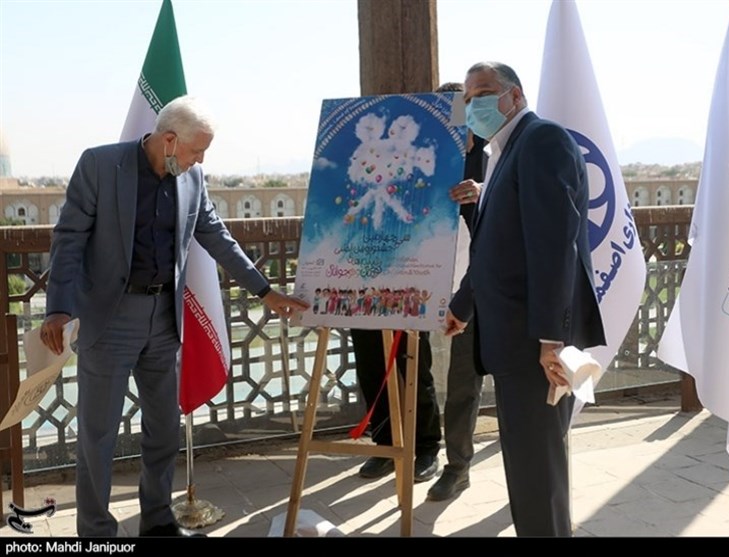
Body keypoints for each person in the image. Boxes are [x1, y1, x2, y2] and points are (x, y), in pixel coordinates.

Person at [40, 95, 309, 538]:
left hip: (165, 318)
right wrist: (57, 308)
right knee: (98, 436)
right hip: (110, 319)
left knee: (163, 429)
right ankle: (96, 532)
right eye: (196, 150)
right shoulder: (100, 166)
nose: (201, 160)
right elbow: (68, 239)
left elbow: (216, 236)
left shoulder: (192, 178)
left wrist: (265, 291)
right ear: (169, 140)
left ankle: (158, 521)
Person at [445, 62, 606, 537]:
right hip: (510, 340)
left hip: (535, 345)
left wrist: (551, 339)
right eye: (469, 97)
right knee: (526, 464)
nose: (474, 104)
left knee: (538, 470)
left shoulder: (541, 141)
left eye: (485, 92)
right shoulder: (504, 151)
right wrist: (462, 306)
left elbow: (554, 246)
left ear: (515, 96)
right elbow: (497, 247)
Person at [426, 82, 486, 502]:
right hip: (432, 285)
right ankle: (456, 465)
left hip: (485, 288)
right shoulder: (424, 161)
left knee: (470, 379)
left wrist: (480, 196)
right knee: (454, 380)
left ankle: (462, 463)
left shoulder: (493, 158)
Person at [350, 328, 441, 483]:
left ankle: (427, 448)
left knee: (417, 376)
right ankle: (386, 446)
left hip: (411, 310)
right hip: (364, 311)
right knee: (371, 375)